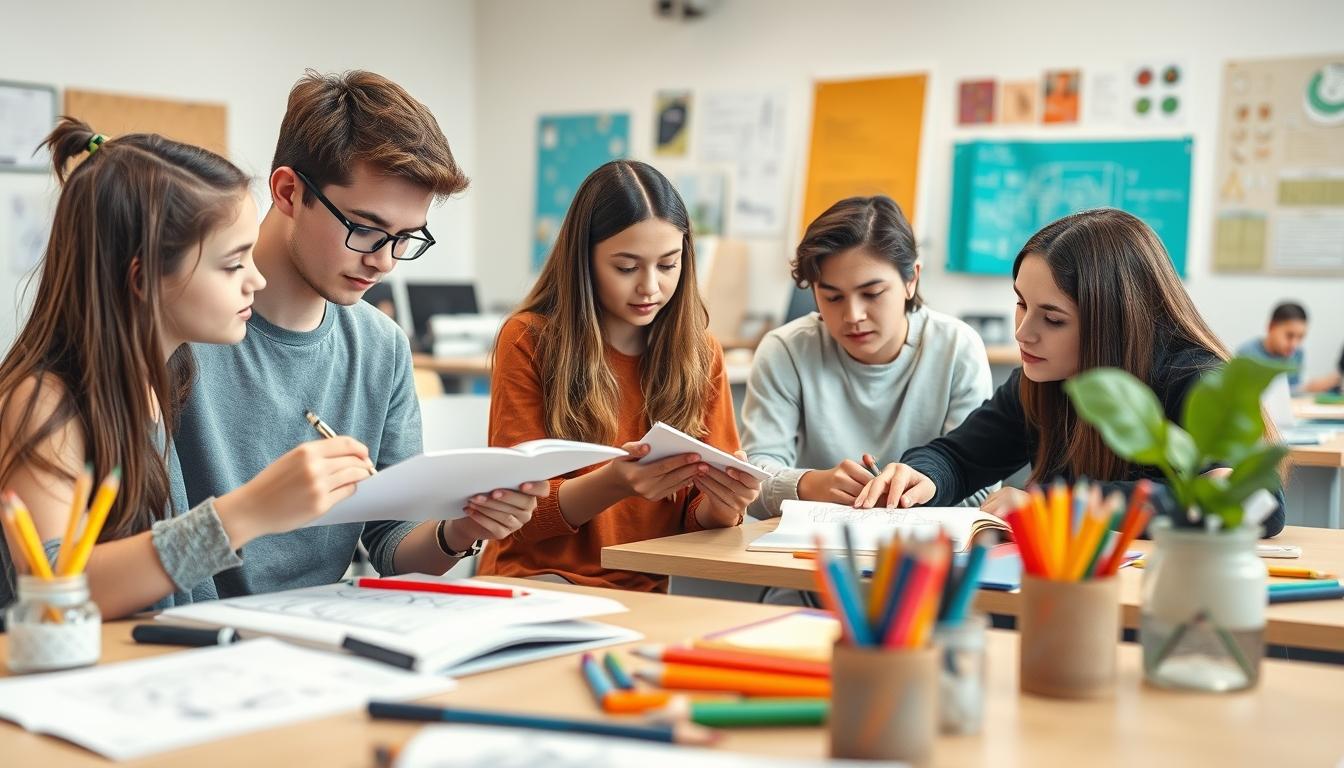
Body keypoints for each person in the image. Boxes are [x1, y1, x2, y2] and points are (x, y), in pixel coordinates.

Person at [173, 70, 544, 599]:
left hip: (324, 633)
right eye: (365, 229)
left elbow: (391, 543)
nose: (385, 262)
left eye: (405, 237)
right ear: (287, 192)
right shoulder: (181, 330)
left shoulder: (382, 347)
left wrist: (461, 531)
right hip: (195, 642)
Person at [0, 119, 375, 617]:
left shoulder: (164, 377)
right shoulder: (43, 401)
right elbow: (53, 589)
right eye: (232, 264)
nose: (257, 280)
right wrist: (247, 513)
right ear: (144, 275)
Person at [855, 208, 1285, 538]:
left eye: (1053, 319)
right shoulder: (1044, 378)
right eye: (1021, 302)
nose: (1023, 332)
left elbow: (1249, 501)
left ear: (1112, 322)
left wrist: (1059, 507)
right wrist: (923, 476)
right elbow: (960, 457)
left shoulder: (1197, 378)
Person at [476, 160, 760, 592]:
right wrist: (614, 483)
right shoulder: (530, 340)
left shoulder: (701, 355)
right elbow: (519, 521)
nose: (650, 287)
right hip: (538, 584)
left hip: (644, 593)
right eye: (626, 267)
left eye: (668, 265)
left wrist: (724, 506)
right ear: (583, 261)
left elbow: (697, 521)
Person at [742, 195, 993, 517]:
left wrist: (905, 493)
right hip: (814, 550)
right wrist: (808, 484)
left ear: (911, 279)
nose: (853, 315)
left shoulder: (957, 347)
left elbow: (981, 487)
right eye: (832, 297)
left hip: (925, 550)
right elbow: (753, 480)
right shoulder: (786, 349)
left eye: (872, 294)